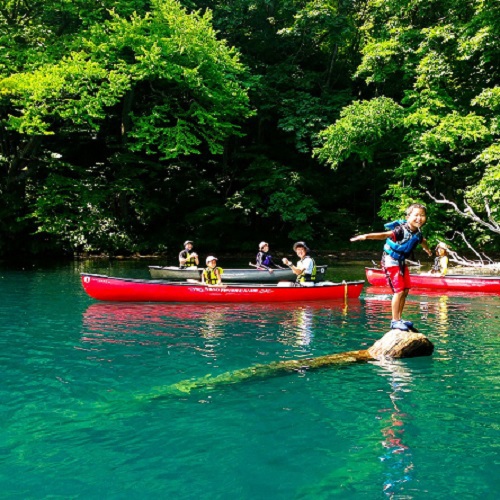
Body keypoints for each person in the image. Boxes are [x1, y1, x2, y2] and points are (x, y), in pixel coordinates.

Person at [350, 203, 432, 331]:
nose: (419, 218)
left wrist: (427, 250)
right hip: (390, 261)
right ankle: (394, 321)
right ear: (408, 216)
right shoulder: (400, 230)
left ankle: (399, 318)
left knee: (405, 290)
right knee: (398, 291)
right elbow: (384, 235)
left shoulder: (418, 233)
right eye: (416, 215)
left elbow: (423, 241)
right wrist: (366, 236)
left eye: (422, 215)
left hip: (401, 262)